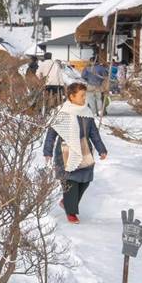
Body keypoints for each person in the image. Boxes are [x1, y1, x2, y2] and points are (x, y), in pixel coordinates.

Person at [44, 82, 108, 224]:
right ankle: (71, 211)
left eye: (85, 95)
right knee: (70, 182)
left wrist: (101, 149)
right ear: (71, 96)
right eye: (81, 95)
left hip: (84, 149)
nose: (84, 98)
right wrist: (47, 151)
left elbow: (94, 133)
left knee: (85, 180)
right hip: (66, 152)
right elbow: (51, 135)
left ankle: (67, 202)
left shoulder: (87, 112)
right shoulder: (61, 112)